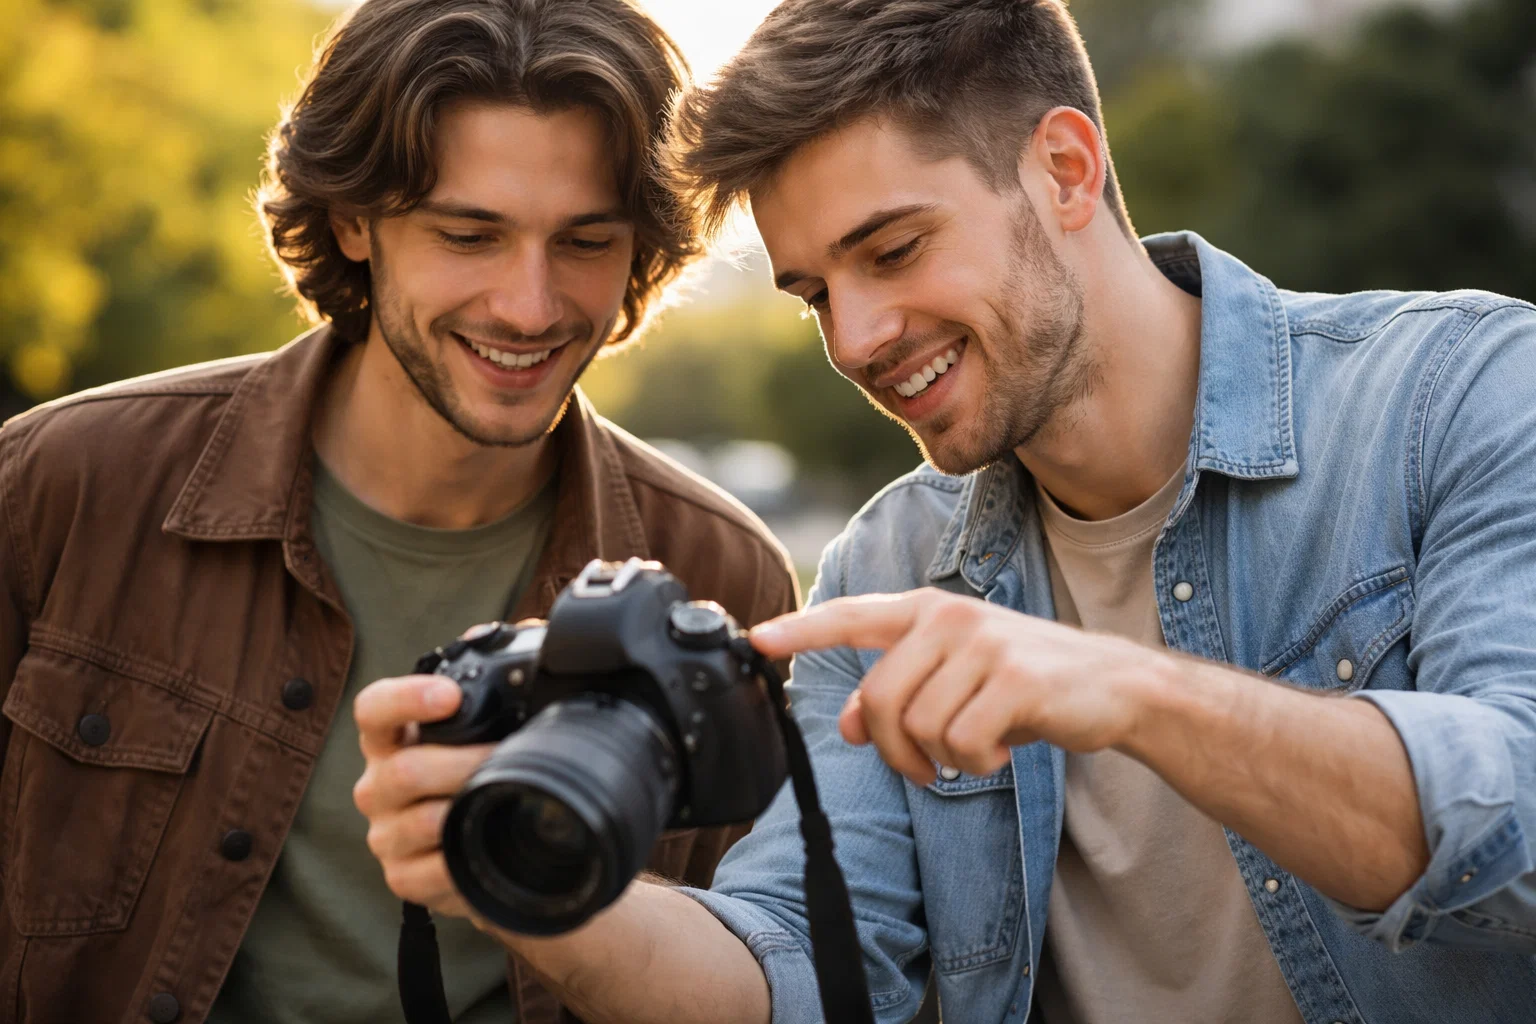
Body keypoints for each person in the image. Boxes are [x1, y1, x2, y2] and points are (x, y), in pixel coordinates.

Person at [356, 0, 1536, 1021]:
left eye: (895, 249)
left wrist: (1133, 690)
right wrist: (526, 868)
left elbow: (1519, 829)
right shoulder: (888, 566)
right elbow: (799, 969)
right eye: (815, 293)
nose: (857, 340)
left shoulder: (1460, 394)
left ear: (1066, 169)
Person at [0, 1, 799, 1022]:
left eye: (586, 241)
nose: (529, 304)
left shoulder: (724, 578)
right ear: (352, 221)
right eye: (470, 235)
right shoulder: (61, 487)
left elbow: (754, 968)